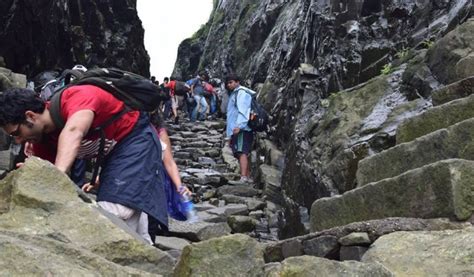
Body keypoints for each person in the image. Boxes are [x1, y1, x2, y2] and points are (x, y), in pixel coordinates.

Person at [0, 87, 167, 244]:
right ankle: (146, 249)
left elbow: (74, 131)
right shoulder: (43, 140)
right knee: (123, 205)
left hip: (137, 138)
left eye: (17, 133)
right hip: (112, 156)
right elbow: (46, 185)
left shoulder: (78, 97)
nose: (18, 141)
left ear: (30, 116)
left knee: (114, 213)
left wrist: (56, 174)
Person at [225, 74, 254, 183]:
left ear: (237, 82)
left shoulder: (241, 93)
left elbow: (243, 110)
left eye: (231, 82)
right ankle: (246, 176)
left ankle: (244, 177)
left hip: (242, 129)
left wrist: (240, 126)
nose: (229, 85)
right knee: (240, 151)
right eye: (228, 83)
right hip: (237, 128)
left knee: (242, 152)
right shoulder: (236, 94)